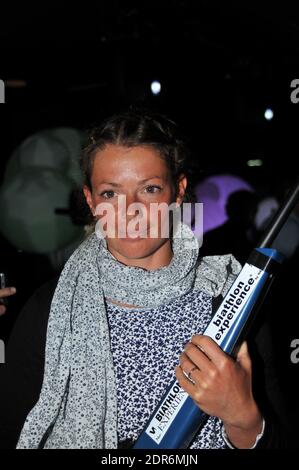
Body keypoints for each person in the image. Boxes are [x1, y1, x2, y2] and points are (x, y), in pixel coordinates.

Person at [0, 109, 289, 449]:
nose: (130, 210)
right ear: (91, 200)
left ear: (178, 191)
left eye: (149, 189)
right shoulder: (49, 310)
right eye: (110, 193)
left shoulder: (229, 302)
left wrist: (243, 418)